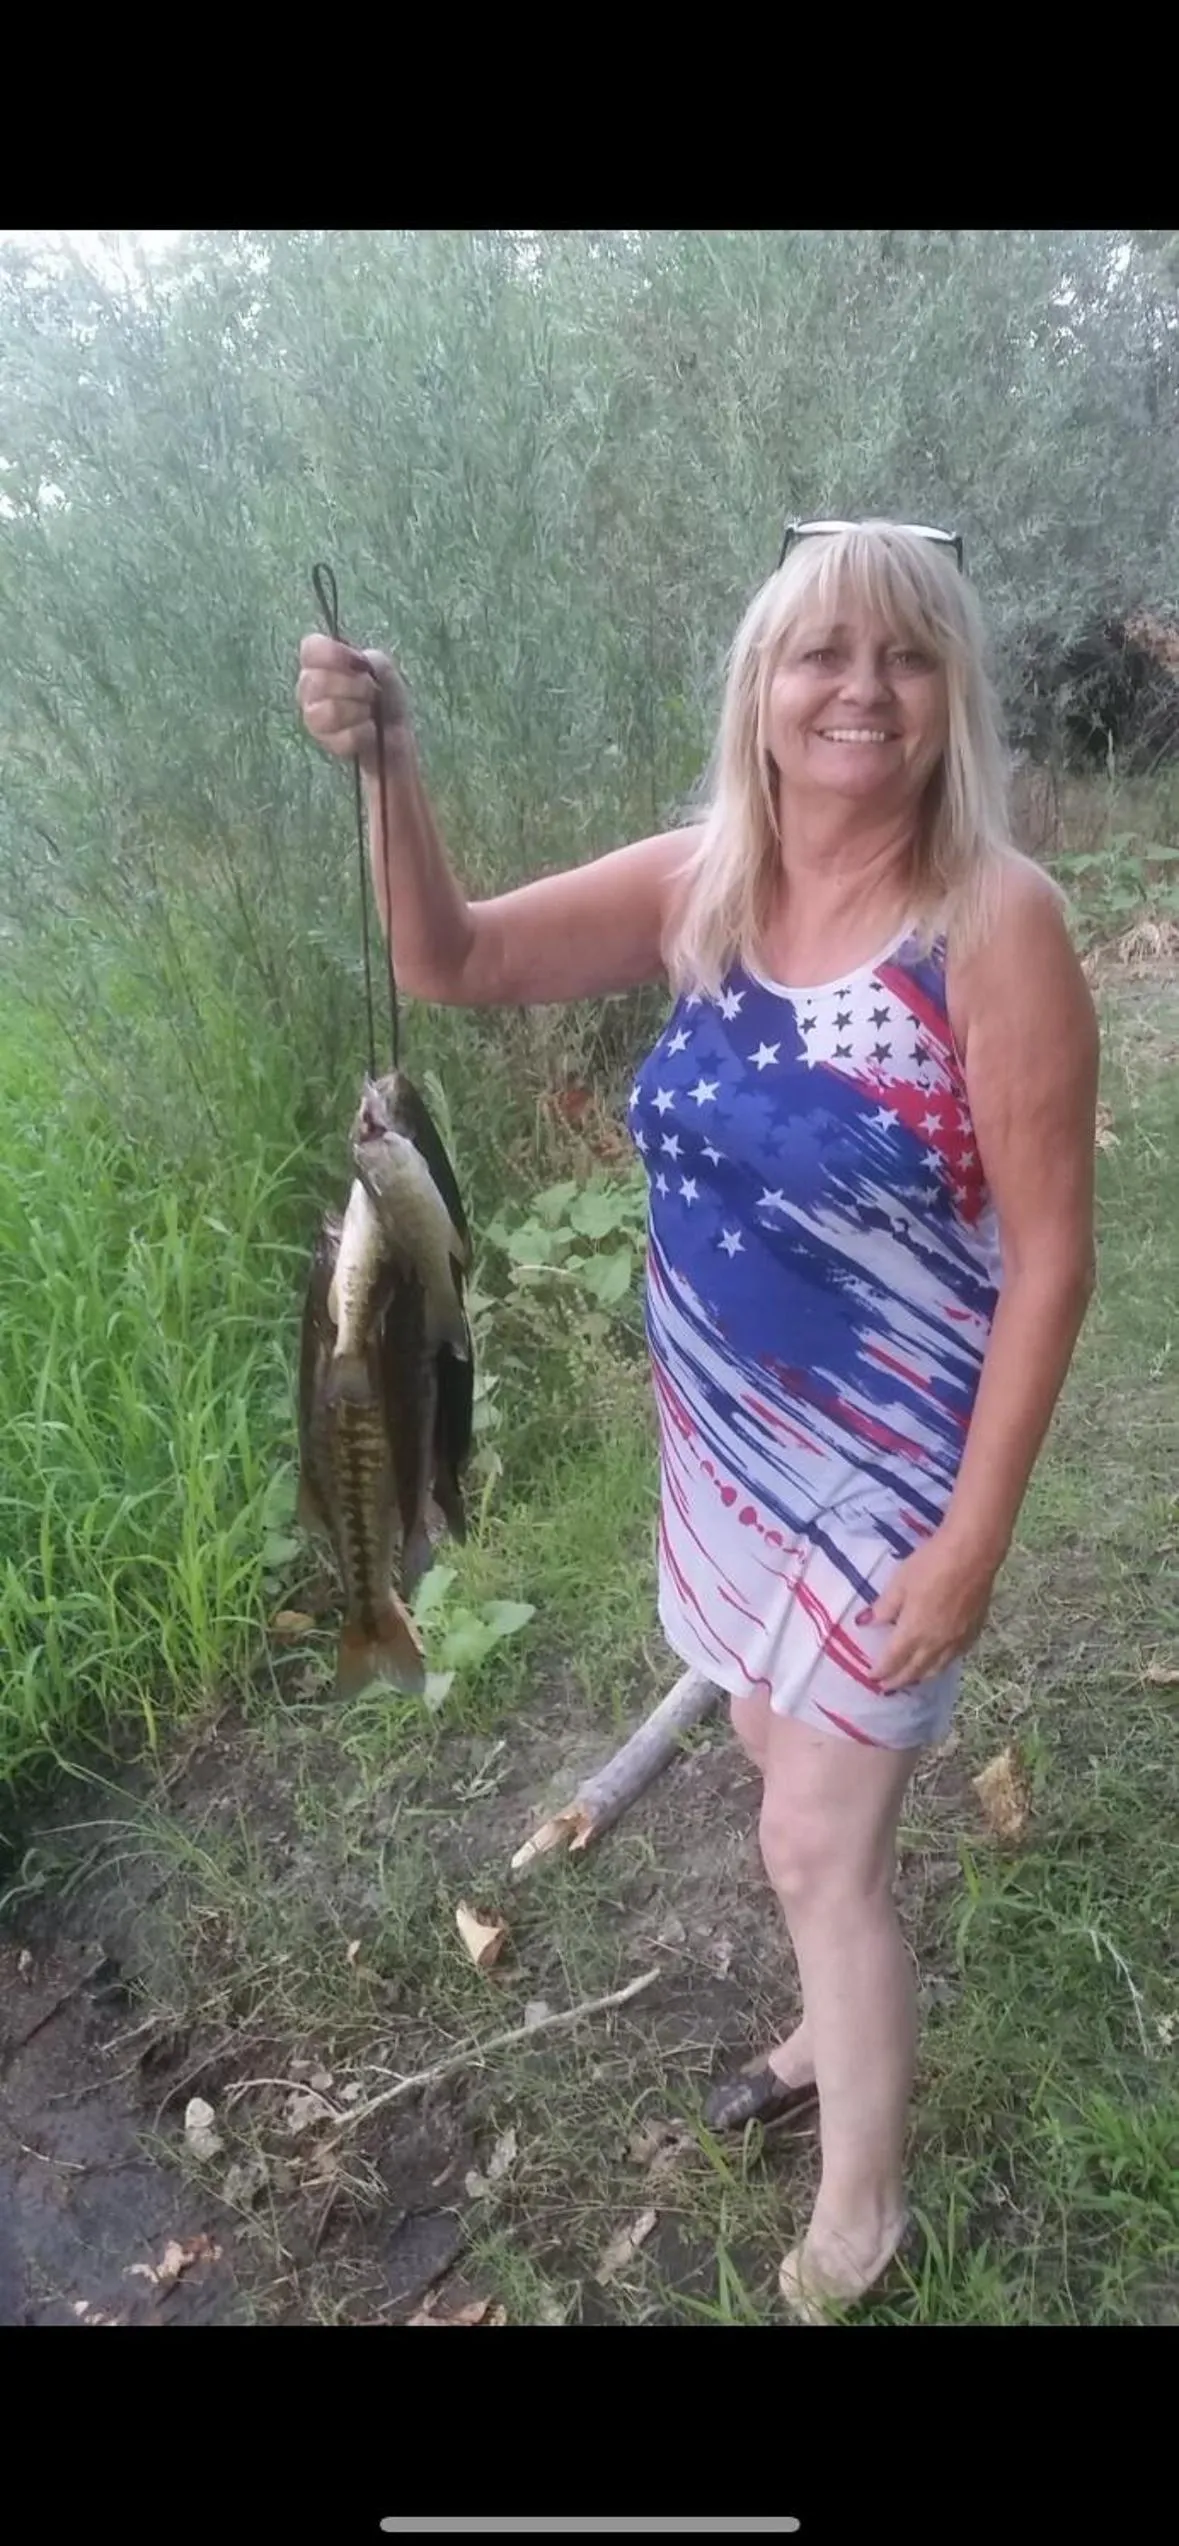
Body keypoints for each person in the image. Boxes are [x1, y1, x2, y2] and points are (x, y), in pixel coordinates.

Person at [297, 519, 1099, 2322]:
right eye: (821, 652)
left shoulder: (997, 924)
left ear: (948, 693)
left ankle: (865, 2208)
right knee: (780, 1765)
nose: (859, 690)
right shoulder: (701, 886)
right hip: (725, 1452)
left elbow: (1050, 1259)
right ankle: (836, 2020)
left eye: (903, 656)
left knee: (810, 1842)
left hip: (895, 1471)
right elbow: (451, 962)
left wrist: (973, 1541)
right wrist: (395, 766)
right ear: (759, 683)